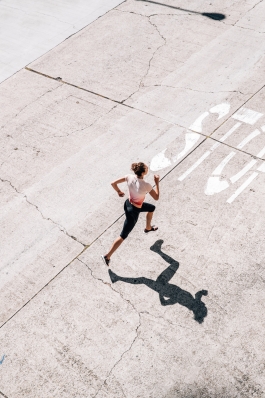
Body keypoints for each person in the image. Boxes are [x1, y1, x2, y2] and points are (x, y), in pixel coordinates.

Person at [101, 162, 160, 266]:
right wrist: (157, 182)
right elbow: (156, 197)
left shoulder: (129, 177)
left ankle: (148, 227)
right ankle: (107, 256)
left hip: (128, 204)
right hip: (133, 212)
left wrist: (119, 192)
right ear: (143, 172)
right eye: (146, 168)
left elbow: (113, 183)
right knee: (123, 235)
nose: (147, 169)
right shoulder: (146, 185)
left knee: (152, 208)